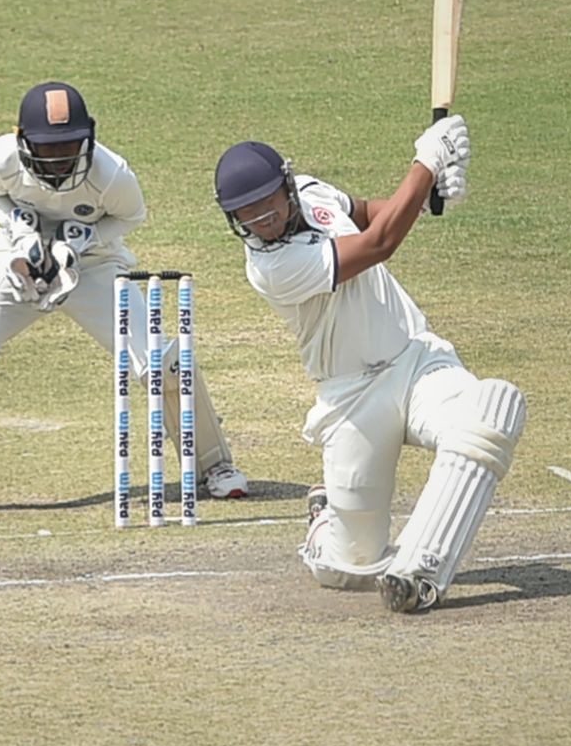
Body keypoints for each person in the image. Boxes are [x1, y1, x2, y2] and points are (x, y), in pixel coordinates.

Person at [212, 116, 525, 613]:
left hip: (418, 360)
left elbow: (366, 215)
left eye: (266, 204)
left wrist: (428, 197)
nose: (259, 220)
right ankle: (324, 522)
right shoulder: (270, 267)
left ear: (288, 186)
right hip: (353, 397)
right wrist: (427, 160)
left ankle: (420, 568)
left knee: (491, 412)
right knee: (350, 569)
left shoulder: (313, 192)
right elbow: (380, 244)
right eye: (245, 215)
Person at [0, 81, 248, 515]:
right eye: (48, 148)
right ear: (22, 139)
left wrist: (83, 241)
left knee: (158, 360)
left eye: (69, 146)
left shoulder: (112, 174)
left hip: (94, 266)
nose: (60, 157)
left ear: (88, 137)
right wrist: (21, 232)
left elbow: (132, 216)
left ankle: (214, 466)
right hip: (18, 262)